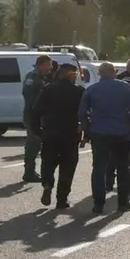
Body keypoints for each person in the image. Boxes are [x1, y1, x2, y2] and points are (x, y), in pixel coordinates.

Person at [82, 60, 130, 213]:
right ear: (114, 72)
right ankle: (123, 202)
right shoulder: (124, 87)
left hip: (100, 132)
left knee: (99, 168)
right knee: (123, 167)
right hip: (121, 133)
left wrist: (88, 130)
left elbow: (82, 112)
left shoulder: (92, 89)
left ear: (99, 73)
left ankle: (99, 203)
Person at [35, 60, 85, 208]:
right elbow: (85, 114)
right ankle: (62, 199)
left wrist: (37, 130)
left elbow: (36, 111)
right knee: (67, 168)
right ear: (72, 75)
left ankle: (47, 184)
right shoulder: (78, 92)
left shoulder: (48, 89)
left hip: (50, 133)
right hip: (70, 135)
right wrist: (86, 133)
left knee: (48, 163)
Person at [18, 55, 53, 183]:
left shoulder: (42, 78)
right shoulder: (32, 78)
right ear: (41, 64)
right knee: (33, 144)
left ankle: (31, 171)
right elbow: (29, 97)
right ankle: (28, 172)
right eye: (48, 64)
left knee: (36, 145)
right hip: (33, 116)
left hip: (40, 116)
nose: (50, 67)